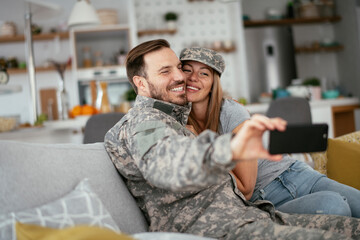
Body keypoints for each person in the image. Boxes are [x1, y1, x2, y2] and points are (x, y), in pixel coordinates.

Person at [104, 39, 360, 240]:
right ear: (141, 83)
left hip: (255, 212)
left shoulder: (181, 118)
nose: (182, 77)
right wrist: (233, 147)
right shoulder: (144, 122)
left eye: (177, 68)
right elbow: (167, 163)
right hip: (224, 228)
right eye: (165, 71)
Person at [180, 46, 360, 218]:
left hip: (296, 175)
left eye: (204, 73)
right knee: (335, 206)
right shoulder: (178, 123)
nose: (193, 77)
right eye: (187, 70)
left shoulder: (230, 112)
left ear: (213, 84)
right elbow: (247, 193)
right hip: (265, 199)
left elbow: (245, 186)